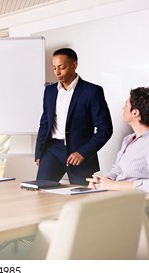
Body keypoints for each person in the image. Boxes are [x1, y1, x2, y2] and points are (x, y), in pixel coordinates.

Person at [35, 48, 113, 185]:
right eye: (54, 68)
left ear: (74, 65)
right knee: (40, 191)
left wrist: (83, 152)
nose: (57, 72)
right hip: (52, 150)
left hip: (79, 153)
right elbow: (45, 124)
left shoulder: (92, 91)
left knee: (82, 197)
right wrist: (39, 153)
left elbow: (105, 128)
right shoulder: (50, 91)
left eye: (62, 67)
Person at [87, 87, 149, 193]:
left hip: (132, 200)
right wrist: (105, 180)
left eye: (126, 105)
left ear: (135, 113)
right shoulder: (128, 139)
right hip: (118, 195)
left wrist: (115, 185)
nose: (123, 108)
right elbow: (118, 170)